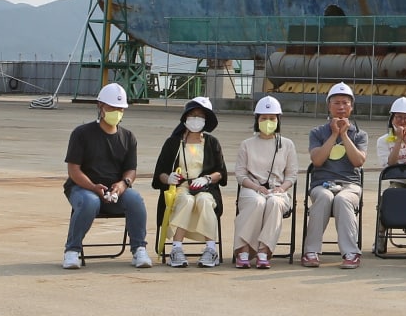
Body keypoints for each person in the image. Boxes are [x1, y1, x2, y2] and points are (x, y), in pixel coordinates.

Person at [62, 82, 152, 269]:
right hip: (83, 188)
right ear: (100, 106)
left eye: (120, 108)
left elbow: (131, 170)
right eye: (112, 107)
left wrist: (123, 184)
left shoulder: (128, 137)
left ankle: (139, 249)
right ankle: (72, 250)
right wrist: (93, 187)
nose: (116, 112)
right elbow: (74, 170)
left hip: (114, 190)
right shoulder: (82, 134)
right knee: (90, 202)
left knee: (135, 199)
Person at [153, 96, 227, 268]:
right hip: (181, 187)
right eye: (192, 115)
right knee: (186, 200)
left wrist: (207, 178)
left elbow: (220, 172)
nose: (196, 119)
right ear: (185, 118)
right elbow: (159, 174)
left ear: (206, 121)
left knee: (204, 201)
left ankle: (210, 249)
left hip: (205, 187)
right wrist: (169, 177)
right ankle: (176, 249)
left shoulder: (212, 142)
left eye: (200, 116)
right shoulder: (173, 143)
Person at [303, 82, 368, 269]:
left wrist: (345, 135)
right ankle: (311, 251)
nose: (341, 107)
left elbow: (358, 161)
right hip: (321, 184)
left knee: (343, 200)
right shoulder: (317, 132)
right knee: (324, 197)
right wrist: (333, 135)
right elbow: (317, 160)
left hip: (350, 184)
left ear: (351, 106)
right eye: (337, 103)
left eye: (345, 103)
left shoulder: (360, 134)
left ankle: (350, 252)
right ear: (329, 106)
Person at [233, 96, 298, 269]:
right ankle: (243, 250)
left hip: (277, 190)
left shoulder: (287, 145)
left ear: (278, 120)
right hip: (252, 188)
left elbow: (292, 175)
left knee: (275, 203)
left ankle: (264, 250)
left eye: (272, 118)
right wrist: (256, 187)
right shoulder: (247, 144)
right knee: (257, 202)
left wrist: (281, 188)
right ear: (257, 120)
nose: (268, 122)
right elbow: (240, 174)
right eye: (264, 118)